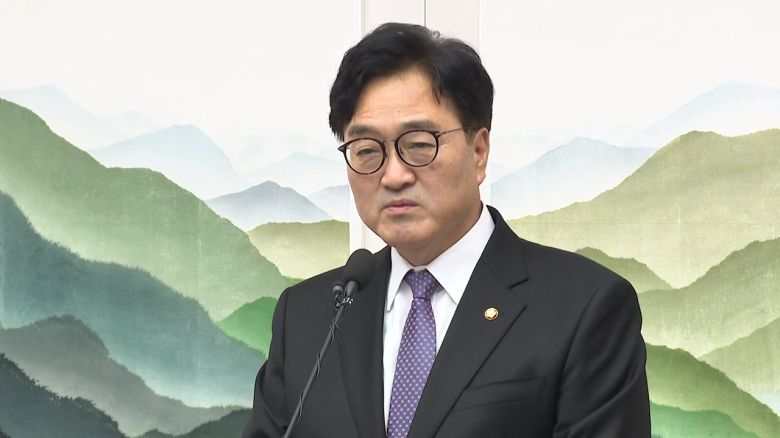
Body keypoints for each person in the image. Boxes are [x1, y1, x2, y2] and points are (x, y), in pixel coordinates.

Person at [243, 22, 650, 438]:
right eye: (366, 151)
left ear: (479, 151)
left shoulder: (584, 307)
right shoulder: (307, 317)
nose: (394, 175)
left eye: (419, 144)